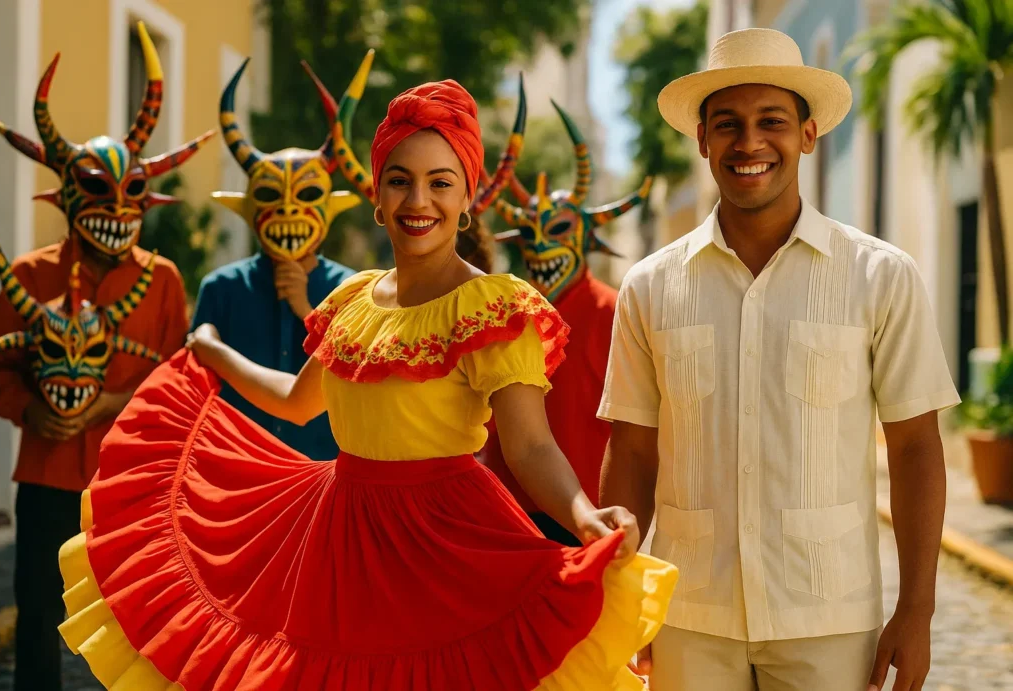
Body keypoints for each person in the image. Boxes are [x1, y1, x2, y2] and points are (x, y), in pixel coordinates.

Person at [56, 79, 677, 690]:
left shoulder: (493, 308)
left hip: (444, 544)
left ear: (467, 202)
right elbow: (299, 404)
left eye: (441, 183)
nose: (419, 201)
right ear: (376, 198)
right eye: (400, 180)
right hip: (337, 537)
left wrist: (583, 516)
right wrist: (216, 354)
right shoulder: (352, 298)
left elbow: (530, 446)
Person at [599, 27, 960, 691]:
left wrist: (917, 608)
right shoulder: (649, 287)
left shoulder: (881, 276)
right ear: (703, 139)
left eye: (772, 121)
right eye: (728, 124)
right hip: (689, 618)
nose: (750, 143)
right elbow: (632, 452)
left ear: (808, 134)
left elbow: (914, 448)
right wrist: (617, 599)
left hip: (828, 620)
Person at [0, 22, 198, 691]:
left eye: (131, 193)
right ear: (70, 197)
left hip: (130, 483)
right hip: (45, 477)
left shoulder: (162, 281)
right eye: (100, 191)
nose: (117, 208)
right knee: (41, 610)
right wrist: (28, 412)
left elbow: (180, 379)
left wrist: (112, 404)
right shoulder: (29, 273)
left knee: (139, 619)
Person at [479, 94, 652, 546]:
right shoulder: (503, 315)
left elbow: (642, 435)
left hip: (593, 519)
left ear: (584, 236)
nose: (539, 249)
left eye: (555, 232)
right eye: (529, 237)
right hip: (508, 518)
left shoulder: (617, 313)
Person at [191, 55, 370, 459]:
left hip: (324, 475)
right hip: (237, 477)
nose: (289, 211)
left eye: (306, 195)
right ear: (250, 206)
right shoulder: (221, 290)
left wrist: (308, 309)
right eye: (272, 196)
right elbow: (193, 392)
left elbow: (361, 383)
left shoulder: (353, 291)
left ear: (328, 205)